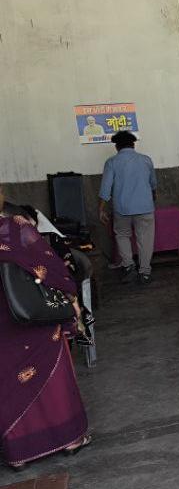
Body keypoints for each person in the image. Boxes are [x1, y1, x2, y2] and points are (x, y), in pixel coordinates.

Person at [0, 187, 91, 467]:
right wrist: (70, 295)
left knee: (7, 378)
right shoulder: (15, 227)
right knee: (52, 369)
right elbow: (50, 264)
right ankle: (69, 439)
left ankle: (19, 454)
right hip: (32, 314)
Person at [98, 130, 157, 285]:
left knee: (122, 235)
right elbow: (153, 184)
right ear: (133, 145)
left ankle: (129, 267)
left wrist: (101, 209)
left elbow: (105, 189)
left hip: (122, 208)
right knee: (145, 239)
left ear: (117, 147)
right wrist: (152, 199)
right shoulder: (146, 160)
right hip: (145, 207)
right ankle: (145, 273)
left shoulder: (112, 162)